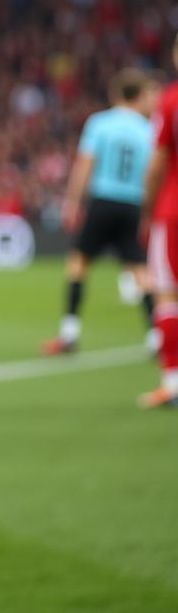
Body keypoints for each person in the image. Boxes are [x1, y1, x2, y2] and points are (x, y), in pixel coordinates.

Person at [42, 68, 161, 356]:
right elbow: (153, 173)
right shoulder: (148, 130)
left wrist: (72, 202)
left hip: (104, 201)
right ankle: (156, 338)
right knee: (141, 272)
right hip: (133, 204)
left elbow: (85, 165)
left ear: (117, 94)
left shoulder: (100, 123)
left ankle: (69, 334)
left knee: (78, 265)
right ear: (139, 96)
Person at [139, 34, 178, 408]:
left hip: (173, 210)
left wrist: (147, 209)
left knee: (167, 295)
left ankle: (172, 383)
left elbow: (157, 163)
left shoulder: (170, 99)